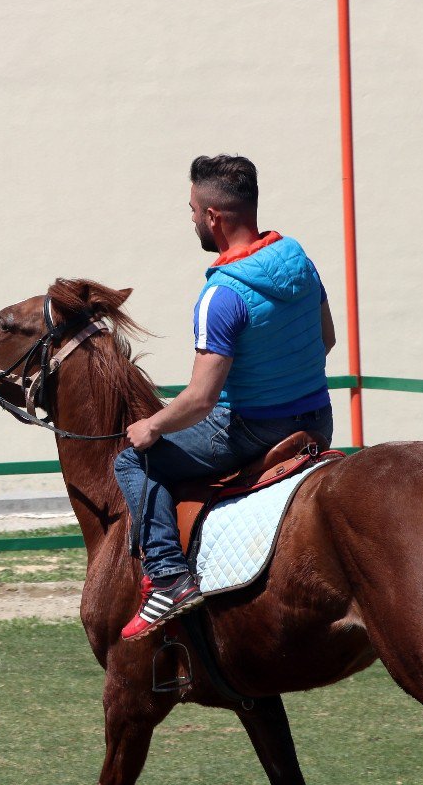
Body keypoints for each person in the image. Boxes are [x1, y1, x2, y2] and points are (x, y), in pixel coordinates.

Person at [114, 155, 335, 641]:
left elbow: (200, 398)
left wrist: (151, 426)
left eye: (192, 209)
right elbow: (327, 340)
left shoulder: (222, 295)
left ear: (213, 217)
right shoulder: (298, 259)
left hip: (252, 428)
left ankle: (170, 577)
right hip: (318, 419)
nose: (191, 217)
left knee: (132, 462)